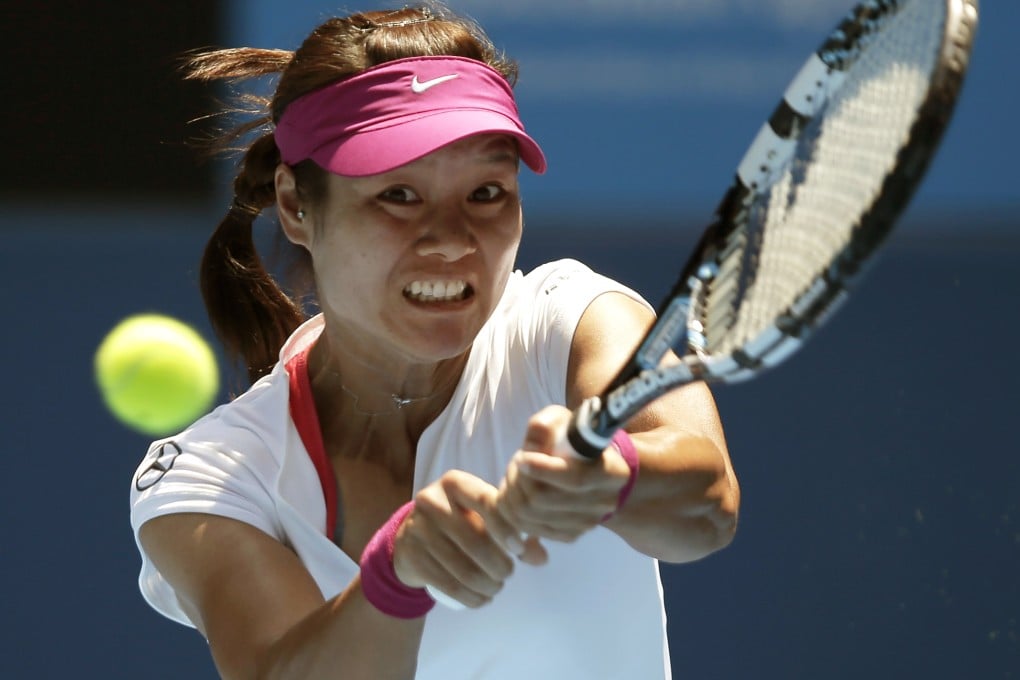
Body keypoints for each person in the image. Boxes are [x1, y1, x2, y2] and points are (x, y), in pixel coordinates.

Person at [129, 4, 740, 679]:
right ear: (298, 206)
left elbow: (706, 509)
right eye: (398, 195)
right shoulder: (213, 477)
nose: (452, 239)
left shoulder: (570, 321)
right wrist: (396, 576)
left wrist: (612, 476)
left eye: (485, 192)